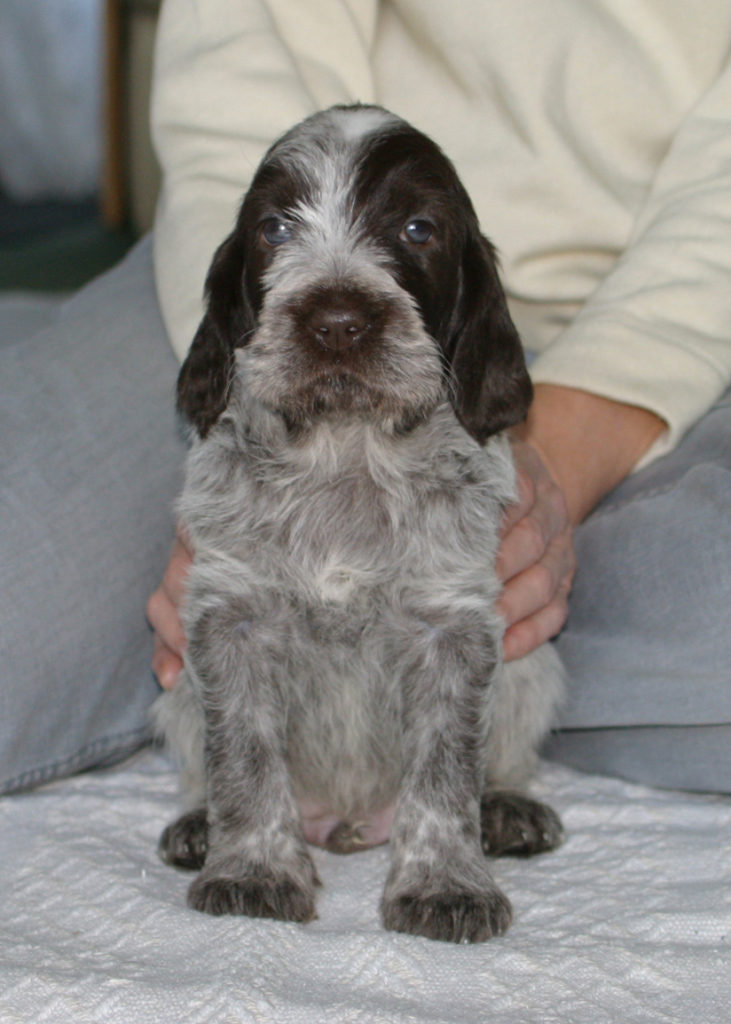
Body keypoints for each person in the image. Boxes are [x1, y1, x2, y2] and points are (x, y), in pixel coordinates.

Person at [2, 0, 729, 796]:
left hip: (665, 323)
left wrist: (544, 472)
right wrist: (251, 513)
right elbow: (238, 100)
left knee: (707, 612)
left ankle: (453, 725)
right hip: (259, 314)